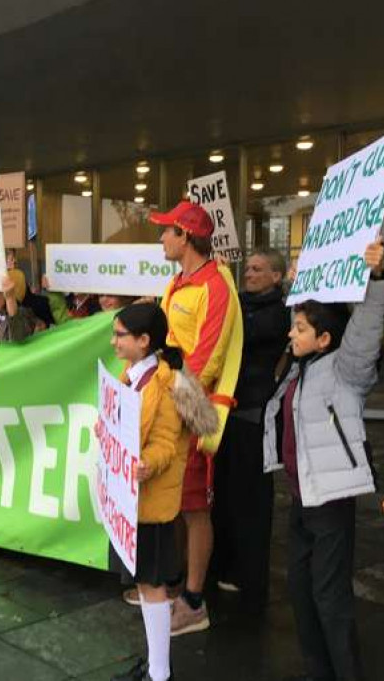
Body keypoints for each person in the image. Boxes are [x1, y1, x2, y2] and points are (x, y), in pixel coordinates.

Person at [265, 238, 384, 681]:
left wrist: (375, 279)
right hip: (303, 499)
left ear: (324, 337)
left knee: (329, 599)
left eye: (300, 329)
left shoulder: (345, 369)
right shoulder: (301, 367)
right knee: (301, 593)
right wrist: (298, 284)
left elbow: (365, 330)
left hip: (331, 503)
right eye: (294, 326)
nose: (291, 333)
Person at [146, 200, 244, 636]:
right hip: (175, 406)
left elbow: (206, 359)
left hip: (194, 412)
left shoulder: (216, 286)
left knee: (194, 509)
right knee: (175, 504)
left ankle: (194, 601)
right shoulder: (177, 283)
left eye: (167, 231)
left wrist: (173, 401)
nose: (162, 238)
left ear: (186, 236)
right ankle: (177, 587)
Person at [107, 302, 217, 681]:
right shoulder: (131, 375)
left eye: (120, 335)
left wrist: (146, 465)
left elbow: (167, 443)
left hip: (150, 502)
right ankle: (156, 667)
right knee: (144, 585)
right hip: (132, 500)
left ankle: (159, 673)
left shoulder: (164, 383)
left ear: (143, 340)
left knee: (152, 588)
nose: (114, 341)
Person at [213, 248, 290, 608]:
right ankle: (225, 566)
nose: (250, 274)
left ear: (277, 276)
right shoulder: (237, 302)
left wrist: (222, 287)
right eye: (249, 269)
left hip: (254, 415)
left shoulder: (279, 314)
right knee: (225, 495)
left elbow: (236, 332)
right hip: (227, 411)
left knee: (251, 500)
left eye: (259, 270)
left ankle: (250, 575)